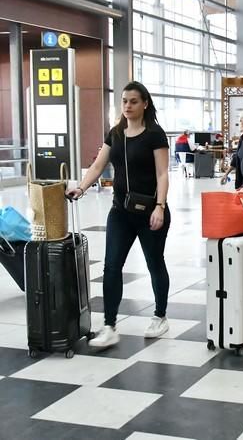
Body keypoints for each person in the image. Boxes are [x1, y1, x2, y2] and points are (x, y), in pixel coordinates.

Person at [66, 81, 171, 348]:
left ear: (145, 103)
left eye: (133, 101)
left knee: (154, 263)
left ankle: (160, 316)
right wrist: (81, 187)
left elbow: (162, 173)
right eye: (124, 101)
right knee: (111, 267)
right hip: (120, 212)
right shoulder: (115, 133)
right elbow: (98, 165)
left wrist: (160, 206)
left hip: (150, 212)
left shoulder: (155, 134)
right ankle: (110, 325)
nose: (127, 106)